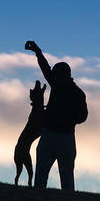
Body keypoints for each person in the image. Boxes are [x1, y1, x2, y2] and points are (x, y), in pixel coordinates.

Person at [25, 40, 88, 191]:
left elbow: (83, 116)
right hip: (49, 135)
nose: (54, 78)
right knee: (41, 174)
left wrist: (65, 118)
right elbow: (46, 69)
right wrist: (38, 52)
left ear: (64, 76)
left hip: (65, 138)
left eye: (57, 75)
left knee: (66, 177)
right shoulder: (59, 85)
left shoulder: (77, 93)